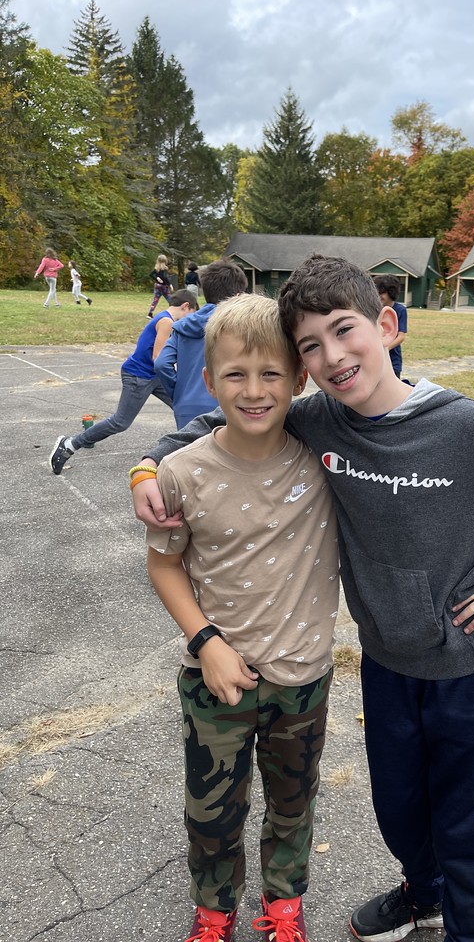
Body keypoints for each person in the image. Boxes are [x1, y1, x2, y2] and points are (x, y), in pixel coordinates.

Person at [131, 255, 474, 942]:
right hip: (387, 666)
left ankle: (466, 926)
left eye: (344, 330)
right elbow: (230, 421)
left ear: (386, 325)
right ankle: (422, 895)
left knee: (466, 830)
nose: (332, 355)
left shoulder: (470, 428)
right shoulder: (320, 422)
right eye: (310, 346)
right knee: (399, 811)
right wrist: (147, 463)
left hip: (469, 670)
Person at [144, 293, 339, 942]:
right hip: (213, 681)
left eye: (271, 375)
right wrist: (206, 642)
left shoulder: (325, 456)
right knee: (211, 813)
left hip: (303, 682)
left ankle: (284, 903)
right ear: (208, 381)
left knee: (293, 805)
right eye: (235, 375)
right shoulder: (181, 472)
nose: (254, 391)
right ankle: (214, 906)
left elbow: (395, 414)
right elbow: (164, 565)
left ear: (299, 381)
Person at [49, 290, 198, 475]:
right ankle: (70, 444)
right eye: (192, 314)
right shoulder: (167, 322)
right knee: (120, 422)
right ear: (185, 306)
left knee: (184, 406)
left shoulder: (165, 319)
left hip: (153, 376)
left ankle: (192, 453)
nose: (190, 320)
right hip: (139, 376)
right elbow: (158, 358)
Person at [154, 259, 248, 429]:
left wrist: (178, 393)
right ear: (238, 295)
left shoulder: (182, 326)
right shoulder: (239, 325)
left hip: (186, 405)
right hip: (226, 404)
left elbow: (161, 364)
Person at [374, 275, 407, 377]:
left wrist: (385, 348)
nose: (379, 297)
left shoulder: (400, 310)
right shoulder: (374, 309)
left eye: (382, 293)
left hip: (393, 361)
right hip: (376, 358)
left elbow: (401, 336)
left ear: (391, 292)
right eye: (376, 293)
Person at [148, 254, 173, 318]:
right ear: (165, 261)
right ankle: (173, 312)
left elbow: (151, 274)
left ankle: (150, 313)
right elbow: (165, 277)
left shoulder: (156, 268)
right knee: (170, 299)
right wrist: (170, 284)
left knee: (155, 300)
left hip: (157, 286)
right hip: (163, 287)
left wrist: (157, 278)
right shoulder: (165, 268)